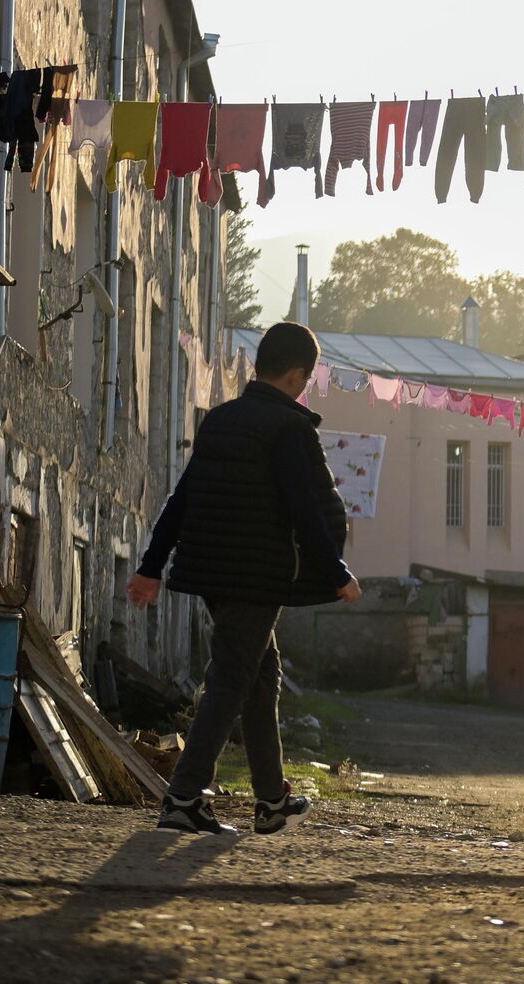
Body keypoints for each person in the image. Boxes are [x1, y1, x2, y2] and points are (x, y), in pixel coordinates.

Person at [127, 321, 361, 836]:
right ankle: (185, 798)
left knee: (260, 676)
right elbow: (305, 508)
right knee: (232, 680)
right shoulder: (288, 428)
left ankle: (272, 800)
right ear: (298, 374)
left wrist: (151, 566)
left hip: (212, 572)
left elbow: (181, 498)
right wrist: (336, 571)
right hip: (257, 576)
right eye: (308, 377)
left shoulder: (221, 421)